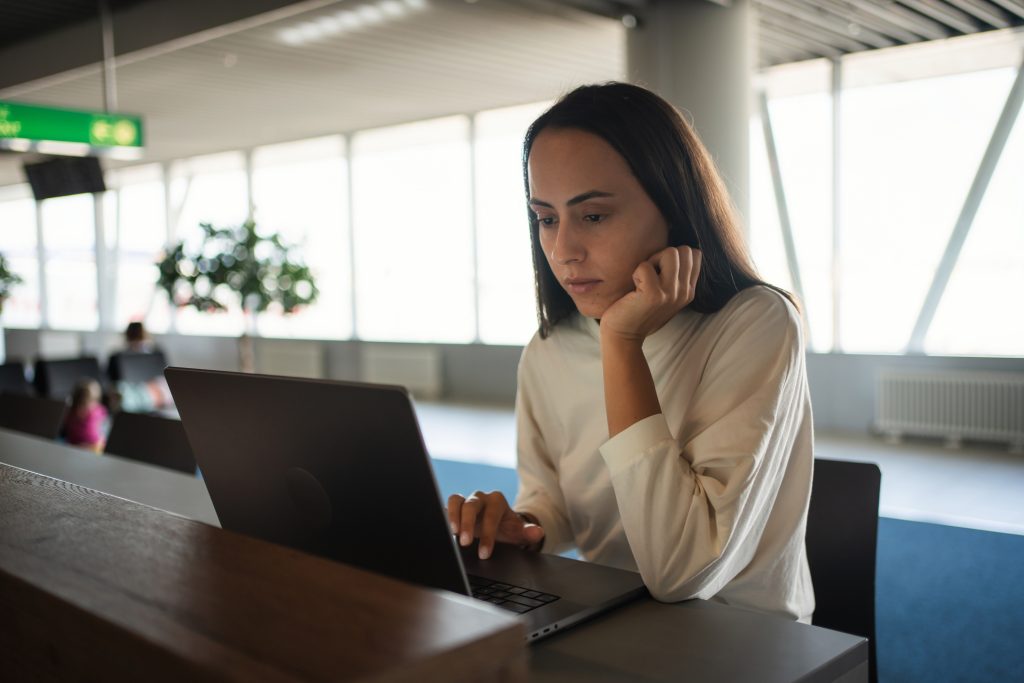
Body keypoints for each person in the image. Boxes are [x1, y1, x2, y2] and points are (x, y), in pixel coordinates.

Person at [447, 82, 815, 623]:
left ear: (673, 206)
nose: (564, 251)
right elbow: (556, 501)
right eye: (546, 218)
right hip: (613, 619)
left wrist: (621, 343)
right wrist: (526, 523)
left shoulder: (756, 322)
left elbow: (681, 573)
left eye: (593, 216)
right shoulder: (552, 349)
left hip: (745, 638)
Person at [63, 378, 108, 452]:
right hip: (73, 447)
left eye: (90, 401)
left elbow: (102, 434)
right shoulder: (69, 413)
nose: (83, 408)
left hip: (94, 447)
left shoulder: (98, 412)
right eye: (81, 402)